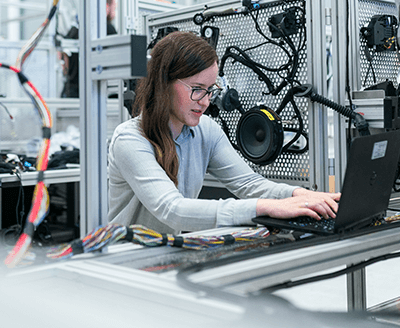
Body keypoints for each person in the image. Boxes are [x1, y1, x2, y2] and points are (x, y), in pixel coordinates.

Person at [107, 31, 340, 234]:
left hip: (166, 253)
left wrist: (301, 195)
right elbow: (172, 210)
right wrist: (265, 207)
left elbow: (249, 184)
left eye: (210, 90)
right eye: (197, 89)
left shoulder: (205, 130)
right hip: (127, 261)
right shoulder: (130, 139)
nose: (205, 101)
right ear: (163, 83)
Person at [61, 0, 117, 97]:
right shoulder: (107, 28)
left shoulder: (74, 30)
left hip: (71, 91)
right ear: (106, 7)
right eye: (114, 7)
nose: (114, 12)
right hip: (95, 92)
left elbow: (63, 58)